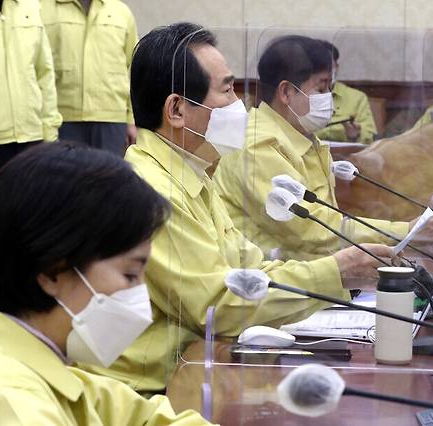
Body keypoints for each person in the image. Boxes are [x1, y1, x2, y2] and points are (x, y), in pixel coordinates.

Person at [87, 23, 399, 393]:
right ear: (177, 110)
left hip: (199, 364)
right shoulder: (152, 192)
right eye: (227, 90)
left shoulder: (192, 174)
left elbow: (250, 268)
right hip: (153, 389)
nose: (241, 105)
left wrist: (340, 275)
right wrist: (336, 273)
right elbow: (217, 307)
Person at [0, 143, 211, 425]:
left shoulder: (32, 358)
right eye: (130, 274)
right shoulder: (8, 403)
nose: (141, 294)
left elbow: (138, 416)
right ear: (53, 272)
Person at [214, 35, 433, 262]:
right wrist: (406, 231)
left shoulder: (300, 137)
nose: (329, 99)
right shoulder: (258, 145)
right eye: (321, 89)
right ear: (286, 92)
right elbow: (313, 230)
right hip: (269, 288)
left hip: (308, 278)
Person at [0, 0, 62, 172]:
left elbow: (44, 74)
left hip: (32, 136)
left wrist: (49, 134)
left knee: (34, 198)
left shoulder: (30, 5)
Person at [41, 0, 138, 156]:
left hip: (112, 118)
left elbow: (132, 68)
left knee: (109, 178)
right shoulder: (43, 9)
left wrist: (131, 119)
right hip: (62, 118)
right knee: (67, 178)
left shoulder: (121, 12)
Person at [314, 40, 378, 144]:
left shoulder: (357, 97)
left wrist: (356, 135)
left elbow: (369, 137)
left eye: (328, 66)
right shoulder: (300, 96)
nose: (324, 72)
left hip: (347, 155)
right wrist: (338, 131)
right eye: (318, 67)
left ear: (336, 67)